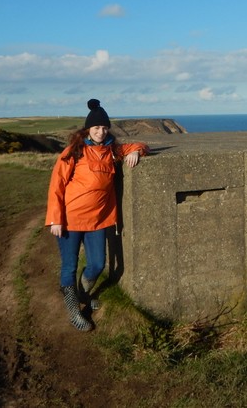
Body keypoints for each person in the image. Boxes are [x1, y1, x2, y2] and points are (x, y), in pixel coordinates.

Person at [46, 99, 149, 331]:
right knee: (69, 266)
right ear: (87, 130)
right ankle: (74, 311)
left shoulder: (112, 151)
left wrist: (136, 151)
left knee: (97, 264)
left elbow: (141, 145)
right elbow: (56, 185)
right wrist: (55, 219)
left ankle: (82, 294)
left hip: (98, 220)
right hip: (70, 219)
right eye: (96, 128)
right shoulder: (74, 151)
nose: (101, 132)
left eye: (104, 128)